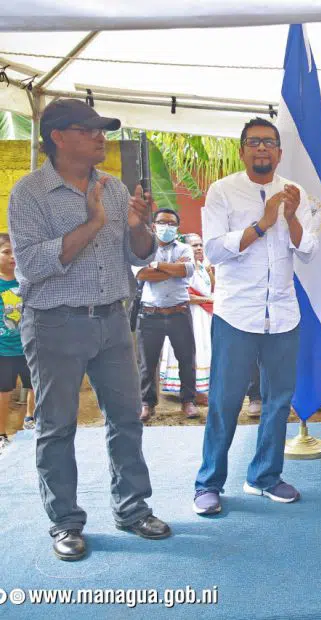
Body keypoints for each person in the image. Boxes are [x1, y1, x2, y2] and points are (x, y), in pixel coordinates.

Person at [8, 98, 170, 561]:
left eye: (103, 130)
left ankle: (132, 509)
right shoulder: (29, 193)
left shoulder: (113, 188)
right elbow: (32, 265)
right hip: (54, 323)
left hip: (113, 320)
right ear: (58, 137)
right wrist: (94, 222)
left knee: (126, 419)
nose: (101, 137)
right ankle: (65, 522)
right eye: (89, 129)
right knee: (57, 427)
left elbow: (139, 255)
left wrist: (138, 226)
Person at [193, 118, 318, 515]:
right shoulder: (222, 191)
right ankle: (209, 483)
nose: (262, 147)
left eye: (269, 142)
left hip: (282, 314)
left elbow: (308, 251)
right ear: (242, 150)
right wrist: (263, 224)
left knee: (278, 401)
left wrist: (291, 217)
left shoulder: (295, 193)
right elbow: (214, 251)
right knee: (225, 401)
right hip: (236, 314)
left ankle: (264, 476)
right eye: (254, 142)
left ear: (279, 152)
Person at [134, 209, 198, 421]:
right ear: (153, 225)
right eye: (162, 222)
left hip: (179, 312)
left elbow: (187, 270)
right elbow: (142, 274)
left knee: (186, 359)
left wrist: (158, 266)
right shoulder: (142, 249)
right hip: (150, 313)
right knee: (147, 362)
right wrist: (173, 268)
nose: (167, 227)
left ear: (177, 228)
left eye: (172, 223)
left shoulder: (185, 248)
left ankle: (188, 401)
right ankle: (147, 403)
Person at [159, 233, 213, 403]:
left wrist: (209, 272)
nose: (199, 248)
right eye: (194, 245)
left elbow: (208, 287)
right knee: (193, 351)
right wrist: (209, 299)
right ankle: (194, 392)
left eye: (201, 245)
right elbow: (185, 295)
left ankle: (203, 388)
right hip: (190, 314)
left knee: (204, 349)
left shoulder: (201, 267)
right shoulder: (183, 267)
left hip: (203, 316)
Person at [0, 234, 35, 454]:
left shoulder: (25, 281)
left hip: (28, 346)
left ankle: (31, 419)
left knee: (34, 385)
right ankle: (1, 434)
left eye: (14, 252)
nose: (12, 256)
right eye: (6, 252)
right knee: (4, 392)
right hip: (4, 350)